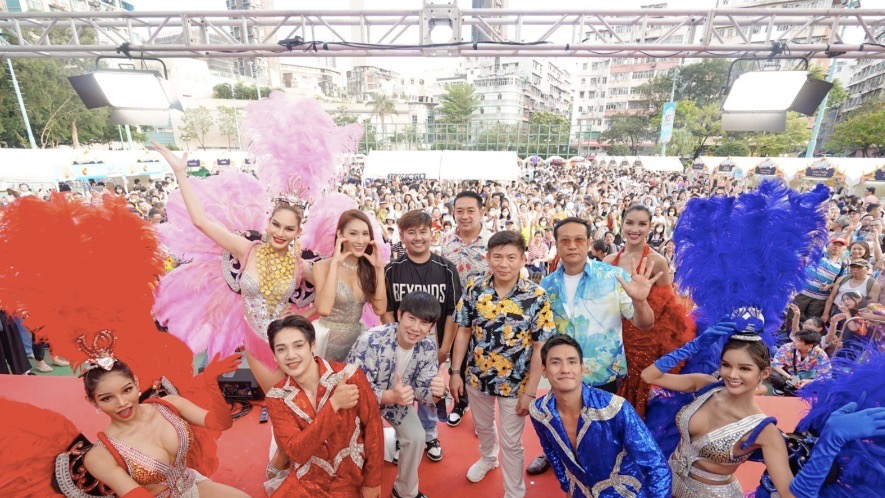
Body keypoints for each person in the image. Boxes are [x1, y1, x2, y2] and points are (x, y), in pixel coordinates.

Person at [642, 323, 885, 498]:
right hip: (663, 484)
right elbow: (650, 376)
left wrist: (831, 440)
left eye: (744, 369)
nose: (732, 375)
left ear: (764, 373)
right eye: (726, 365)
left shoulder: (765, 431)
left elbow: (791, 495)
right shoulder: (706, 385)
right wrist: (696, 344)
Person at [152, 141, 310, 366]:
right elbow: (201, 221)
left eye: (289, 229)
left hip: (287, 344)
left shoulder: (299, 265)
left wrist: (301, 315)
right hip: (253, 341)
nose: (280, 233)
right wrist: (180, 174)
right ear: (268, 224)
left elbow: (333, 289)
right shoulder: (248, 250)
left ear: (298, 232)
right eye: (276, 225)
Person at [526, 216, 661, 476]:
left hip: (603, 374)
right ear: (557, 244)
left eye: (579, 240)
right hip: (561, 373)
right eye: (565, 240)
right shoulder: (546, 285)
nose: (572, 245)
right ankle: (556, 455)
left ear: (589, 243)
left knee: (602, 441)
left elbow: (645, 323)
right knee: (561, 421)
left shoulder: (613, 277)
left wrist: (641, 301)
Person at [450, 230, 555, 498]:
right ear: (488, 258)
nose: (503, 263)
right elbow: (463, 330)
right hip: (477, 377)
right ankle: (488, 458)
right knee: (483, 427)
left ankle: (514, 493)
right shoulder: (475, 288)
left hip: (516, 384)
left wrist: (531, 391)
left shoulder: (536, 296)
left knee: (512, 442)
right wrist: (455, 372)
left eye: (511, 257)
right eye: (497, 257)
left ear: (522, 259)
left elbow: (540, 346)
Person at [530, 335, 672, 498]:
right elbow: (552, 454)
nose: (565, 369)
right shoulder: (539, 411)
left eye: (572, 362)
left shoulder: (614, 408)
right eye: (556, 362)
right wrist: (568, 488)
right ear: (544, 370)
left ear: (582, 369)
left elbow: (657, 467)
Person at [263, 315, 383, 497]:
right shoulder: (276, 397)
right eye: (281, 349)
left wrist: (373, 482)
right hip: (307, 479)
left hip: (352, 476)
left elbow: (373, 428)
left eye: (298, 346)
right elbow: (296, 452)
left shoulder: (350, 376)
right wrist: (334, 405)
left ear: (312, 345)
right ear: (274, 356)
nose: (291, 355)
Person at [346, 291, 448, 498]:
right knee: (353, 444)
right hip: (359, 405)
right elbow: (353, 386)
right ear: (400, 314)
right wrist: (389, 396)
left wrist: (437, 393)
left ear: (431, 326)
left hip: (397, 402)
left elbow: (422, 389)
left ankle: (404, 491)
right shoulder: (371, 339)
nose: (415, 328)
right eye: (411, 318)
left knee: (417, 436)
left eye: (424, 323)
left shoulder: (428, 347)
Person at [382, 210, 462, 462]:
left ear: (431, 234)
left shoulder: (446, 269)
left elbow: (452, 313)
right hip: (401, 346)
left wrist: (444, 349)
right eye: (411, 232)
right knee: (402, 390)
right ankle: (402, 434)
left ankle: (429, 435)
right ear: (402, 236)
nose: (418, 237)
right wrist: (395, 344)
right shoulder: (391, 270)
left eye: (423, 231)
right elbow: (387, 310)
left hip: (433, 347)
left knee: (430, 391)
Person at [604, 205, 693, 420]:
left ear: (650, 227)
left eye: (642, 224)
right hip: (613, 341)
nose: (635, 229)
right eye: (630, 223)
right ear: (622, 224)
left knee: (639, 403)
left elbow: (668, 310)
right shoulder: (608, 262)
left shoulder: (657, 261)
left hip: (644, 344)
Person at [440, 190, 492, 427]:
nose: (465, 216)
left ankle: (484, 416)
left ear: (482, 212)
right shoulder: (447, 240)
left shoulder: (492, 242)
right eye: (459, 211)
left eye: (471, 211)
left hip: (484, 315)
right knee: (457, 361)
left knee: (482, 362)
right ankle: (460, 403)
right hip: (453, 314)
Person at [312, 209, 387, 361]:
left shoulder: (370, 268)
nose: (360, 240)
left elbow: (380, 309)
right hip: (326, 342)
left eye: (365, 234)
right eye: (353, 233)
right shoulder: (322, 266)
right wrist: (335, 265)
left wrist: (379, 269)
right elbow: (324, 309)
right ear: (340, 234)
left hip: (357, 342)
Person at [789, 237, 846, 321]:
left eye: (840, 246)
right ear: (828, 245)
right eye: (834, 244)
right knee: (792, 318)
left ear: (844, 249)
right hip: (802, 293)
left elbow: (840, 282)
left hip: (820, 300)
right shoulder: (817, 255)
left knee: (811, 322)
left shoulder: (843, 266)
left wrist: (829, 286)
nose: (836, 247)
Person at [769, 329, 832, 395]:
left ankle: (802, 390)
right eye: (795, 338)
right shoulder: (787, 347)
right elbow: (775, 364)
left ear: (809, 346)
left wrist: (809, 381)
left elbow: (827, 375)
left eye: (798, 340)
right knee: (773, 374)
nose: (794, 341)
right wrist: (788, 376)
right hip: (790, 373)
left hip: (808, 376)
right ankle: (780, 388)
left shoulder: (820, 354)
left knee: (825, 384)